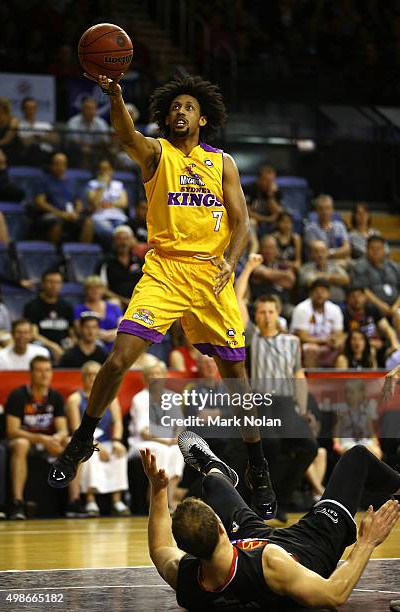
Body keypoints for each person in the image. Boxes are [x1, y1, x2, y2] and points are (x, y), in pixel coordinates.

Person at [49, 74, 277, 520]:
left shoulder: (223, 162)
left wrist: (231, 260)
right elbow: (124, 134)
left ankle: (258, 467)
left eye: (188, 107)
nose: (180, 112)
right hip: (166, 270)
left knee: (238, 382)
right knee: (118, 359)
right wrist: (115, 96)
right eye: (174, 107)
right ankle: (83, 438)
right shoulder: (156, 153)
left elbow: (242, 222)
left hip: (211, 276)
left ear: (202, 117)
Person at [140, 432, 400, 610]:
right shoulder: (271, 563)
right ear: (221, 528)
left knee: (213, 484)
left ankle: (215, 469)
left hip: (247, 541)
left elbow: (160, 549)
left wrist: (159, 490)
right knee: (357, 457)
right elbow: (334, 594)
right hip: (308, 544)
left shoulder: (186, 579)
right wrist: (367, 541)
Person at [235, 253, 317, 521]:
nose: (266, 316)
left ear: (278, 313)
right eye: (261, 311)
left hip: (285, 402)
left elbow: (299, 375)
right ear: (256, 316)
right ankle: (260, 498)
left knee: (308, 446)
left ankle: (279, 497)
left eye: (270, 311)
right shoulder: (253, 336)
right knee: (270, 444)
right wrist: (248, 267)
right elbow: (237, 299)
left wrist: (302, 409)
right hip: (261, 401)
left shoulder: (292, 341)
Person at [5, 356, 69, 519]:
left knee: (70, 443)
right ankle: (17, 502)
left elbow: (63, 429)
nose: (44, 375)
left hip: (48, 442)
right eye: (39, 371)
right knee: (21, 444)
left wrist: (56, 438)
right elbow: (12, 431)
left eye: (47, 370)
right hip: (27, 441)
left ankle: (74, 502)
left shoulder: (55, 396)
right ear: (31, 374)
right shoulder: (19, 395)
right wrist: (42, 439)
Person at [66, 361, 130, 517]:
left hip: (108, 440)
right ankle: (90, 500)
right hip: (85, 440)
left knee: (119, 452)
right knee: (89, 455)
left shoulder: (110, 398)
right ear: (82, 378)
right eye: (87, 375)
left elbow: (118, 422)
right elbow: (76, 429)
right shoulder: (74, 400)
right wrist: (96, 446)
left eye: (95, 375)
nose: (91, 378)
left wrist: (116, 441)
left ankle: (117, 500)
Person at [129, 361, 185, 511]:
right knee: (161, 450)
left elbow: (179, 425)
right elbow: (143, 431)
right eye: (150, 374)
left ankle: (169, 498)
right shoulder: (139, 399)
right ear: (145, 378)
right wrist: (165, 439)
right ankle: (153, 497)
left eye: (158, 373)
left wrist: (176, 437)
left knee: (177, 451)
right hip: (143, 441)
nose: (154, 377)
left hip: (168, 441)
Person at [33, 152, 94, 244]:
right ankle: (54, 253)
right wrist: (60, 214)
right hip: (52, 214)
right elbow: (40, 203)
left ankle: (83, 253)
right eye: (56, 164)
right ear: (51, 165)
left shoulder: (73, 181)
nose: (59, 167)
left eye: (62, 164)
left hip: (70, 214)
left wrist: (75, 213)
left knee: (88, 222)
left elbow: (79, 202)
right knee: (56, 222)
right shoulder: (43, 180)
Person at [291, 278, 345, 367]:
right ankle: (311, 380)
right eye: (317, 291)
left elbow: (338, 333)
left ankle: (339, 380)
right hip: (306, 345)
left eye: (323, 291)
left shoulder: (335, 309)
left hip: (328, 345)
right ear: (311, 293)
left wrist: (335, 341)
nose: (320, 294)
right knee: (312, 349)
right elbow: (302, 337)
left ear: (328, 294)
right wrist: (325, 341)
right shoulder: (301, 309)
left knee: (343, 347)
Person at [23, 270, 74, 363]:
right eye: (50, 282)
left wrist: (70, 343)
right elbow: (34, 335)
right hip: (42, 344)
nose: (54, 286)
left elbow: (72, 332)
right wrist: (53, 346)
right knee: (43, 351)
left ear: (61, 285)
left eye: (57, 282)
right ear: (42, 284)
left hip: (63, 345)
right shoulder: (32, 306)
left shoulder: (67, 306)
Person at [343, 285, 399, 365]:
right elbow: (343, 336)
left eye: (359, 296)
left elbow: (387, 328)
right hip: (354, 347)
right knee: (370, 351)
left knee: (389, 349)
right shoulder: (344, 314)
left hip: (377, 346)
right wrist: (368, 343)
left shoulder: (372, 310)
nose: (356, 299)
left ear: (365, 297)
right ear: (347, 299)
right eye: (353, 296)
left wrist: (394, 343)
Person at [351, 235, 400, 319]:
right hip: (373, 307)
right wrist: (381, 306)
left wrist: (396, 306)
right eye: (372, 248)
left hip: (396, 307)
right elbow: (363, 290)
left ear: (384, 250)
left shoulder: (394, 266)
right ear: (366, 250)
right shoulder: (360, 266)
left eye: (379, 249)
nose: (375, 252)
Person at [97, 225, 144, 310]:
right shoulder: (106, 262)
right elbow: (102, 289)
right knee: (114, 303)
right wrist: (124, 301)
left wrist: (136, 300)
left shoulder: (139, 261)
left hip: (138, 300)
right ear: (114, 241)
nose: (123, 243)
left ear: (131, 241)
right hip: (116, 301)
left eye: (126, 239)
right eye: (119, 239)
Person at [249, 235, 295, 319]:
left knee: (294, 312)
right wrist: (284, 275)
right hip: (261, 304)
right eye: (266, 248)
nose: (268, 251)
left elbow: (290, 281)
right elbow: (263, 273)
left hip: (283, 305)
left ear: (276, 250)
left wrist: (271, 276)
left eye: (271, 248)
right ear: (260, 249)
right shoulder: (255, 264)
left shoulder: (281, 265)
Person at [332, 379, 382, 459]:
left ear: (361, 394)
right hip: (347, 443)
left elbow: (371, 432)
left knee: (376, 452)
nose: (348, 395)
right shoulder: (342, 413)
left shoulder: (366, 413)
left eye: (351, 392)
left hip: (364, 441)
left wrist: (376, 443)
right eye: (346, 392)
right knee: (355, 452)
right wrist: (337, 445)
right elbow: (336, 432)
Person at [86, 159, 129, 248]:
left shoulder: (119, 185)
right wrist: (102, 186)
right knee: (108, 232)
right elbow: (95, 204)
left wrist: (108, 204)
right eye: (102, 169)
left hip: (119, 217)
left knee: (125, 233)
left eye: (107, 169)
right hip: (100, 217)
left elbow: (124, 203)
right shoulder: (92, 184)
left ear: (112, 171)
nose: (105, 172)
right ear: (98, 171)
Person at [73, 276, 123, 353]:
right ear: (86, 290)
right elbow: (79, 329)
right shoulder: (79, 309)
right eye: (91, 288)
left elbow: (122, 326)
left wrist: (110, 334)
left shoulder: (113, 307)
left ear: (103, 290)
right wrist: (100, 335)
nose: (95, 291)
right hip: (92, 346)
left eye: (98, 288)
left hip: (115, 343)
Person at [304, 194, 350, 260]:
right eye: (321, 209)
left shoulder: (340, 226)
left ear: (332, 210)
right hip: (318, 265)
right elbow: (317, 254)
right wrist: (339, 253)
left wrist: (330, 252)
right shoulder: (310, 229)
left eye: (327, 208)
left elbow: (347, 249)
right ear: (316, 211)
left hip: (340, 263)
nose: (324, 212)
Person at [66, 97, 110, 166]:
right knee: (76, 150)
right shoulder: (73, 121)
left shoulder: (100, 122)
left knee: (107, 151)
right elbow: (73, 140)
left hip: (96, 150)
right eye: (87, 108)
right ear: (82, 109)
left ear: (95, 110)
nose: (90, 111)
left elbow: (105, 141)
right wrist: (84, 147)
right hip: (78, 151)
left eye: (92, 109)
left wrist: (90, 147)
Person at [17, 96, 57, 163]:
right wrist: (43, 137)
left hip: (48, 154)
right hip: (29, 155)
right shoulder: (18, 125)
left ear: (37, 109)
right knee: (35, 148)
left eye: (33, 108)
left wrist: (36, 137)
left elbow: (55, 139)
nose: (31, 110)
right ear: (23, 109)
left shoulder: (45, 124)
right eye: (28, 108)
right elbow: (24, 142)